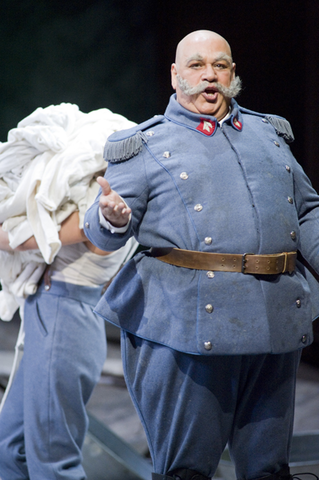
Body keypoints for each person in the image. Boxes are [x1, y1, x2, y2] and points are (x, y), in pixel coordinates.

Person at [83, 30, 319, 480]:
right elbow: (106, 234)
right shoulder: (145, 144)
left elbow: (307, 211)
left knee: (270, 470)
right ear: (175, 75)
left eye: (220, 65)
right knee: (186, 472)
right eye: (196, 65)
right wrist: (112, 217)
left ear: (232, 73)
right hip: (185, 328)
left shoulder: (269, 135)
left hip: (275, 322)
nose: (209, 75)